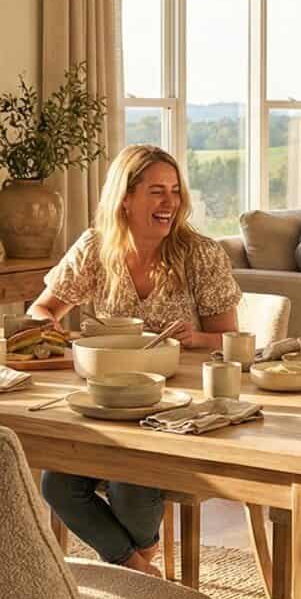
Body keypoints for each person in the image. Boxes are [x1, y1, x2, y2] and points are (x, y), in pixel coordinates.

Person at [28, 144, 242, 574]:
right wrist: (50, 330)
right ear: (125, 197)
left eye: (175, 191)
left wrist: (196, 336)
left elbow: (231, 338)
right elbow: (42, 309)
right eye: (157, 192)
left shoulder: (199, 253)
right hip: (108, 405)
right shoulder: (96, 247)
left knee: (129, 480)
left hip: (178, 410)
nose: (170, 203)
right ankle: (142, 570)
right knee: (58, 483)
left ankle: (136, 572)